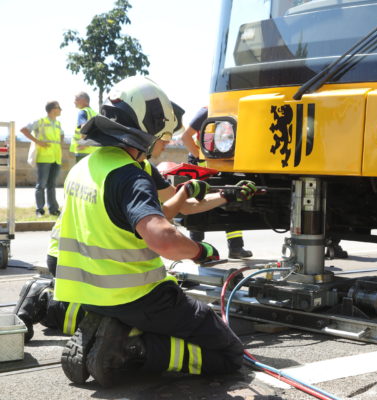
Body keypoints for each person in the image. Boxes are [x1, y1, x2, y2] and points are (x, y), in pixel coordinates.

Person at [51, 76, 257, 387]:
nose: (166, 143)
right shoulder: (131, 177)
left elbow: (175, 204)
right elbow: (162, 235)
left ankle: (120, 330)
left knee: (168, 321)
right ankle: (134, 349)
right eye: (163, 136)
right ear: (146, 131)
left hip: (87, 295)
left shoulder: (86, 168)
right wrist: (200, 252)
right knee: (230, 356)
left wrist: (227, 195)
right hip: (138, 295)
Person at [181, 107, 253, 259]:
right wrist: (200, 157)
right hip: (201, 168)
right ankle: (193, 247)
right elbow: (186, 137)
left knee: (232, 201)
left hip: (223, 165)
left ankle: (236, 248)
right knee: (199, 203)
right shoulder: (206, 112)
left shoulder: (237, 112)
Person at [20, 101, 64, 217]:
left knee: (52, 185)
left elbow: (62, 135)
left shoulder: (58, 123)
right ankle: (39, 209)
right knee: (41, 185)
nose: (61, 110)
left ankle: (53, 209)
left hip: (56, 157)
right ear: (53, 109)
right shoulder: (41, 121)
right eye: (59, 107)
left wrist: (60, 142)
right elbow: (24, 129)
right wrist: (38, 142)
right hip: (44, 157)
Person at [70, 91, 97, 163]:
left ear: (83, 100)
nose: (74, 102)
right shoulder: (95, 114)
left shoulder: (82, 112)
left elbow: (83, 127)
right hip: (94, 151)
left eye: (76, 99)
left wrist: (84, 144)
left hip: (83, 151)